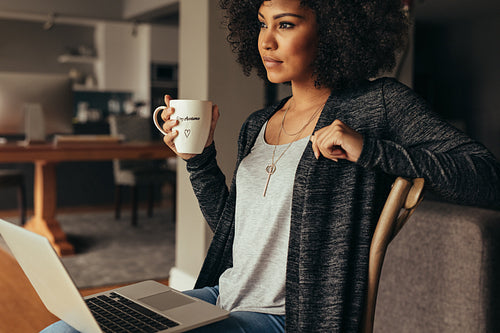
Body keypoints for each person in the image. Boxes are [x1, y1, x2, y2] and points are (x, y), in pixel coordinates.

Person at [42, 0, 500, 332]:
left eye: (285, 23)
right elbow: (233, 232)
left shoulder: (379, 104)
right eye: (261, 23)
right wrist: (198, 159)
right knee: (63, 330)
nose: (266, 41)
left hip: (288, 318)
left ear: (334, 28)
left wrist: (372, 150)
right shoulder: (259, 122)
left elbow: (486, 177)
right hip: (223, 297)